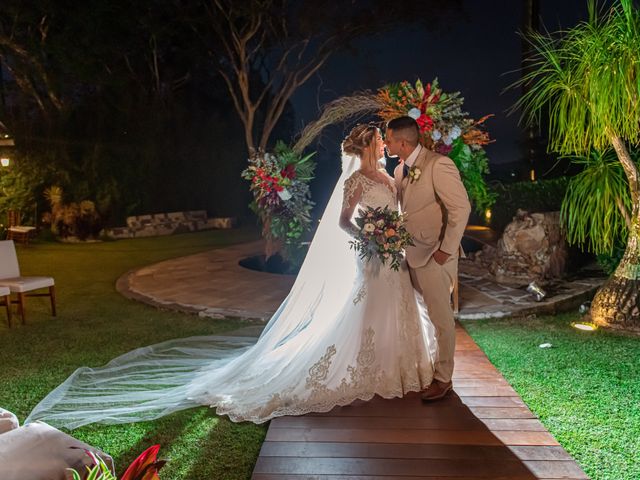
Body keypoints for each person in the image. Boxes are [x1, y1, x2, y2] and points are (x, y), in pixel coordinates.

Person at [26, 124, 435, 429]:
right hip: (369, 255)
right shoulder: (356, 180)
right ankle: (362, 367)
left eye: (386, 142)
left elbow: (397, 214)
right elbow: (343, 222)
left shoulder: (388, 177)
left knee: (395, 307)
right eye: (380, 141)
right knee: (364, 312)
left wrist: (392, 234)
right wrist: (370, 235)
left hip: (392, 257)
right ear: (368, 146)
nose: (384, 146)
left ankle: (399, 365)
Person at [386, 116, 471, 401]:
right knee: (421, 316)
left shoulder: (438, 164)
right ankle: (426, 367)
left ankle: (443, 379)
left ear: (402, 142)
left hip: (436, 255)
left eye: (388, 139)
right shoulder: (399, 171)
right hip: (410, 254)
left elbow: (461, 209)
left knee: (442, 319)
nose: (385, 144)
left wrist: (445, 250)